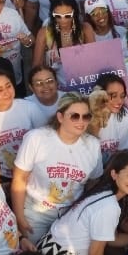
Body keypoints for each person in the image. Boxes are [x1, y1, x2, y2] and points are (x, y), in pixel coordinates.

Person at [12, 92, 104, 240]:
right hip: (37, 212)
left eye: (86, 116)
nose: (81, 121)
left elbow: (94, 182)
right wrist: (19, 217)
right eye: (74, 116)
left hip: (70, 215)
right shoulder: (37, 138)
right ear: (60, 117)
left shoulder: (93, 145)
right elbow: (19, 179)